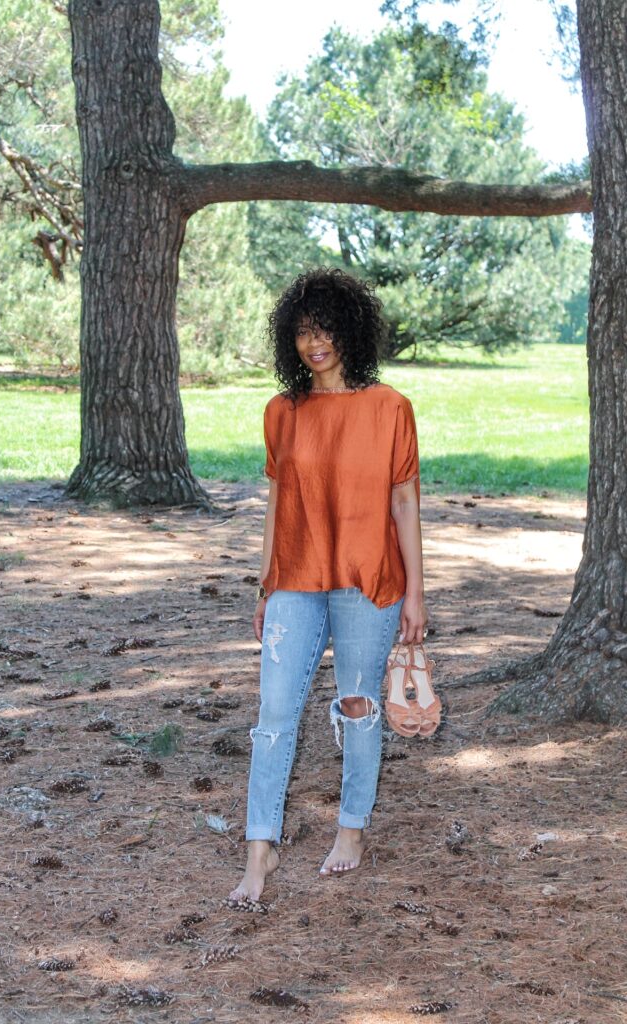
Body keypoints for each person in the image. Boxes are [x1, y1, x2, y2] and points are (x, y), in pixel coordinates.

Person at [229, 267, 426, 903]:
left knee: (360, 706)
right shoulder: (282, 413)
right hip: (295, 576)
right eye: (304, 331)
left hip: (369, 580)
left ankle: (351, 829)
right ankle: (260, 850)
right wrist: (264, 587)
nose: (315, 343)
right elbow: (277, 502)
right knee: (273, 715)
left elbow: (404, 502)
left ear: (351, 333)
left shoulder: (390, 407)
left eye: (326, 329)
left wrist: (417, 594)